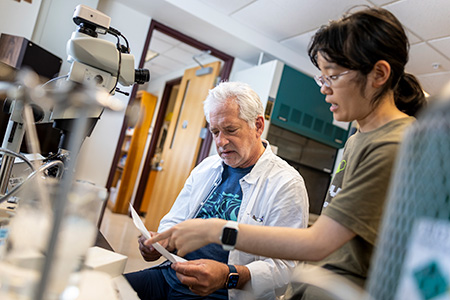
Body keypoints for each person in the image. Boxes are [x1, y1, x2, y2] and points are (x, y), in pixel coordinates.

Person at [147, 7, 427, 300]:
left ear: (378, 74)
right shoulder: (358, 138)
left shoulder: (396, 145)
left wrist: (218, 230)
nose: (324, 90)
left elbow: (318, 243)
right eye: (321, 78)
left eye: (332, 77)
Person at [125, 81, 309, 300]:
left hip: (222, 293)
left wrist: (227, 276)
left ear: (258, 126)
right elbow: (174, 221)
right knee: (104, 289)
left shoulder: (286, 184)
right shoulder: (207, 167)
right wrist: (160, 242)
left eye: (230, 130)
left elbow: (284, 269)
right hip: (171, 275)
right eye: (215, 131)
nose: (221, 142)